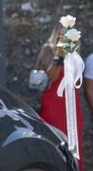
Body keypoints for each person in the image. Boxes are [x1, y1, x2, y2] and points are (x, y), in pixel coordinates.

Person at [36, 26, 85, 170]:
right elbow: (53, 76)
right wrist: (59, 52)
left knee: (76, 149)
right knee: (56, 145)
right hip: (54, 105)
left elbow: (77, 81)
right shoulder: (48, 49)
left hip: (71, 105)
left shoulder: (74, 52)